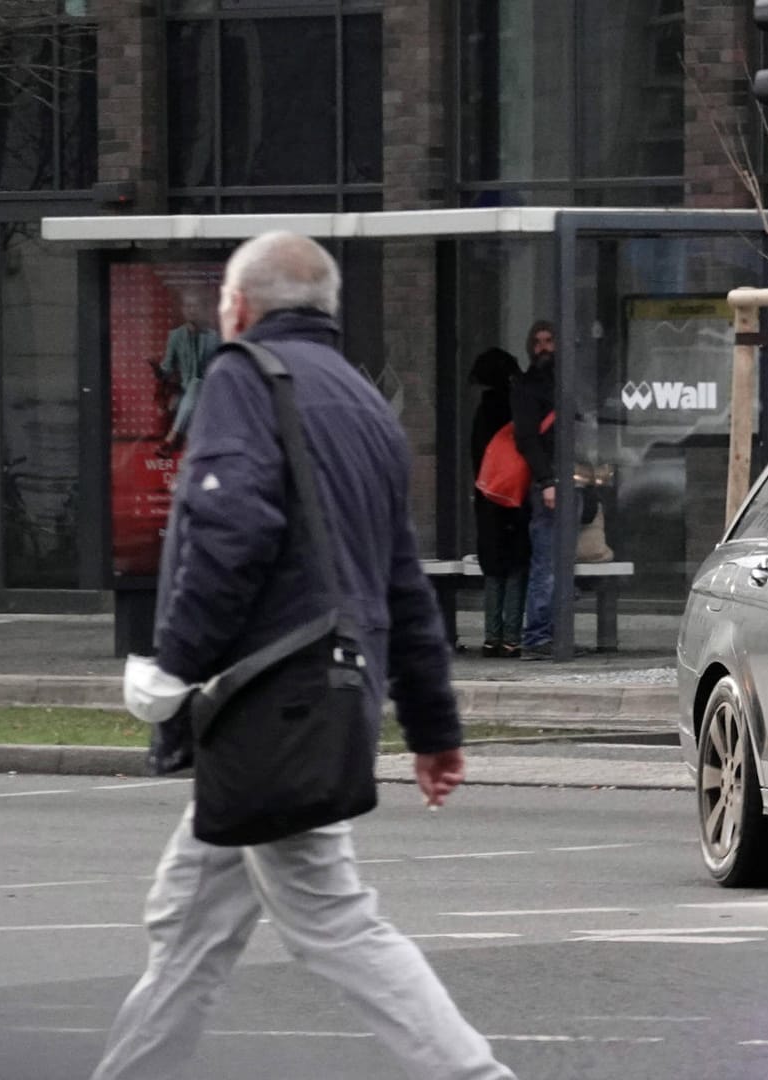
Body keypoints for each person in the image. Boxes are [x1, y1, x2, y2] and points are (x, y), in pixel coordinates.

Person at [101, 232, 515, 1080]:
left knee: (335, 920)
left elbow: (230, 529)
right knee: (188, 922)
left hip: (268, 710)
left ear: (239, 308)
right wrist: (435, 729)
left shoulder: (241, 378)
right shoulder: (366, 407)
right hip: (317, 701)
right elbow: (403, 585)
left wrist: (172, 666)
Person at [469, 347, 529, 658]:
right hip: (516, 497)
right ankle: (512, 638)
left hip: (488, 498)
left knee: (493, 568)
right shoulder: (517, 404)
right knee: (516, 566)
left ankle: (492, 637)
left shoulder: (484, 409)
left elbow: (477, 456)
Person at [509, 320, 558, 660]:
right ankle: (538, 636)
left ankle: (549, 632)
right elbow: (527, 438)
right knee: (547, 563)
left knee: (555, 562)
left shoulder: (564, 383)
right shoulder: (528, 387)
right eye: (537, 341)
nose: (543, 347)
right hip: (548, 485)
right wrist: (546, 481)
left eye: (548, 341)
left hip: (567, 480)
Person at [158, 291, 220, 454]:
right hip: (184, 392)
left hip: (209, 390)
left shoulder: (213, 337)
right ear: (183, 309)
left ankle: (171, 438)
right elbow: (167, 368)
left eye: (195, 306)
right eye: (188, 306)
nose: (192, 310)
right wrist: (159, 371)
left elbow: (221, 365)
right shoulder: (175, 336)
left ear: (201, 309)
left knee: (197, 383)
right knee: (192, 386)